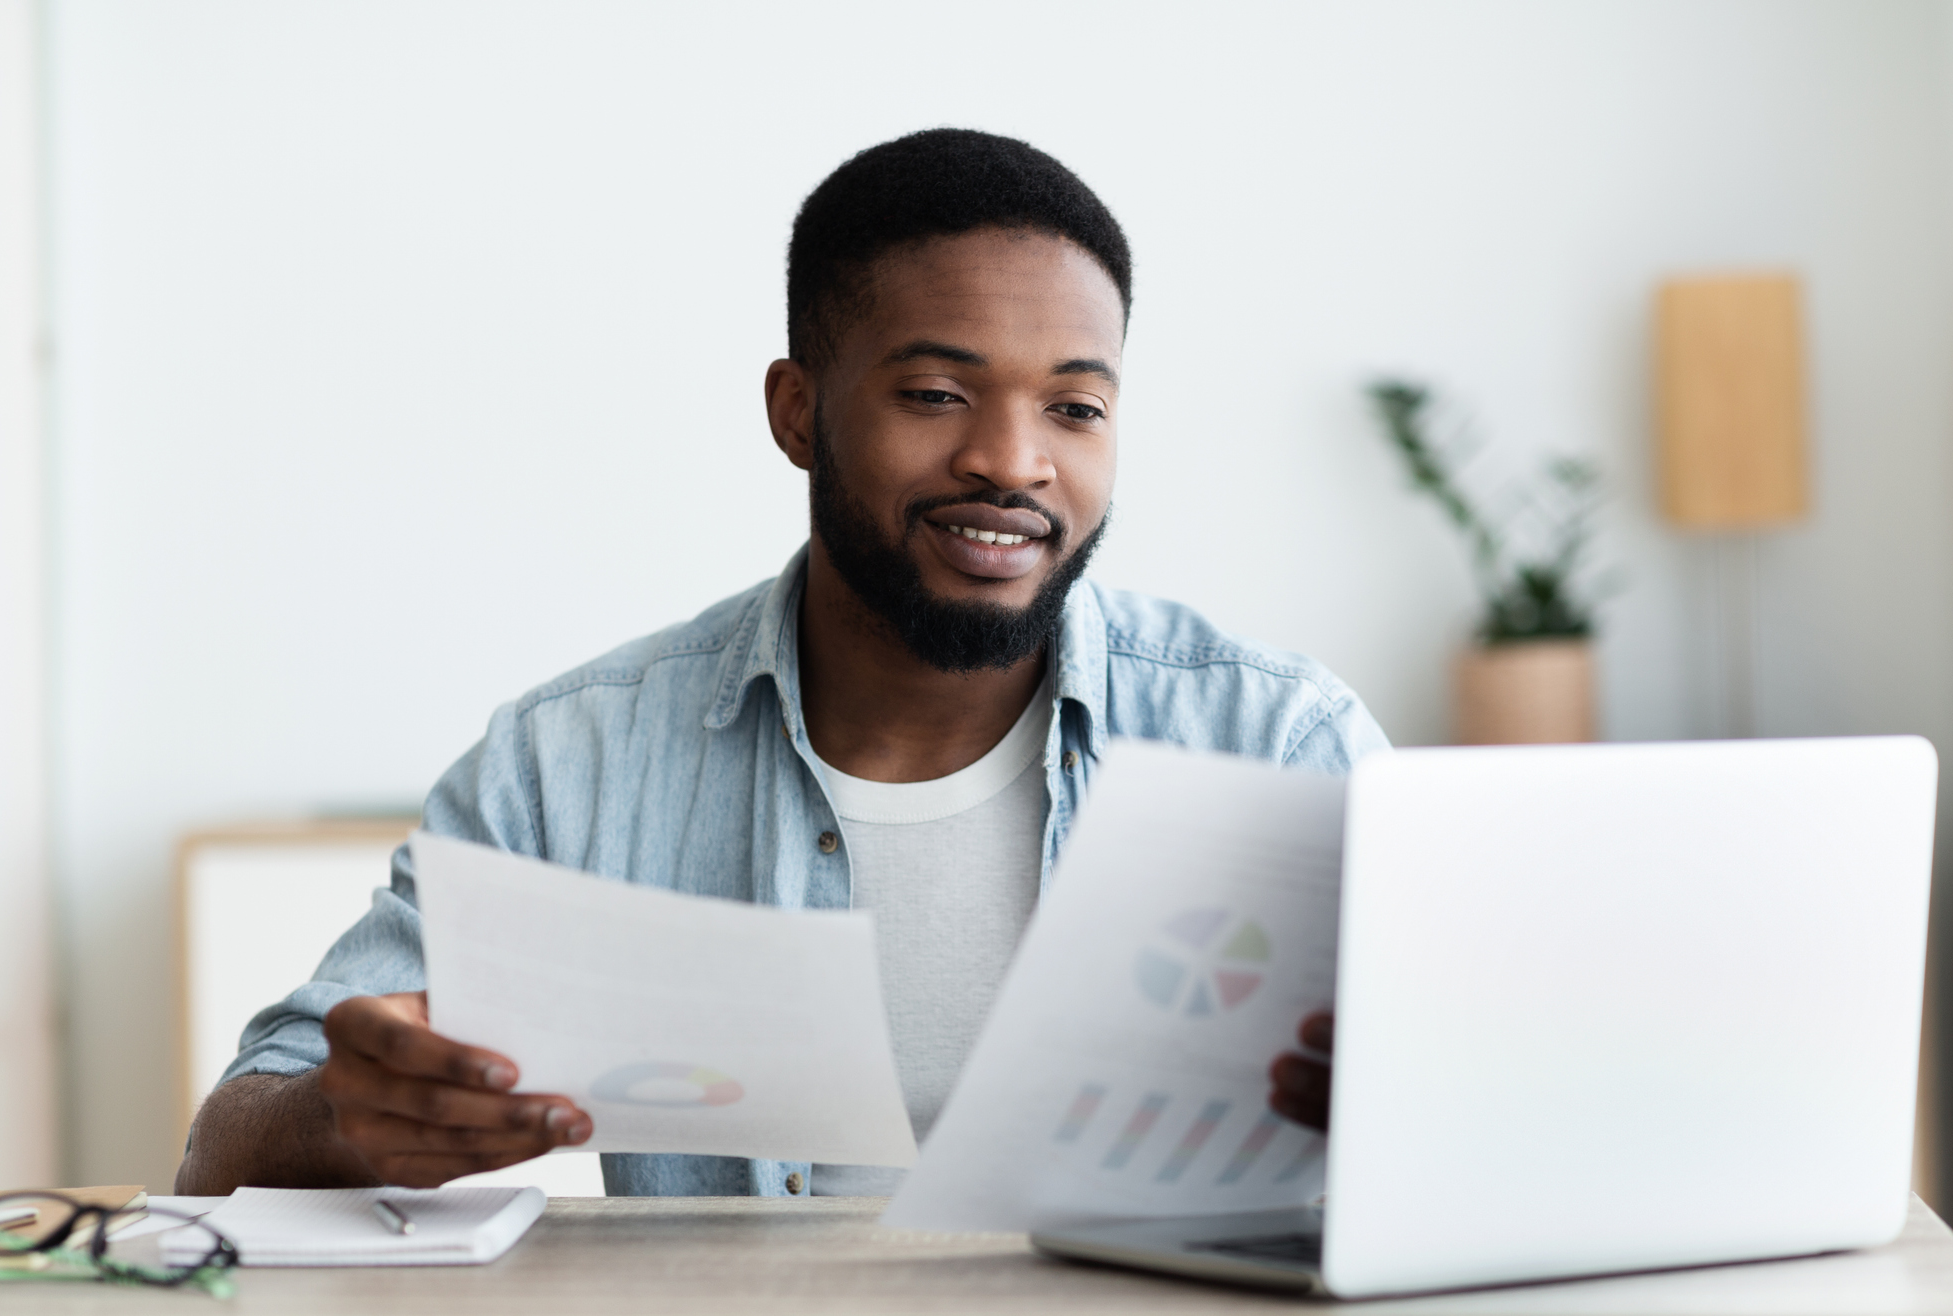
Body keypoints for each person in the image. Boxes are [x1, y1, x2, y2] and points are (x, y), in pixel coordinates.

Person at [176, 128, 1383, 1197]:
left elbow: (1516, 1071)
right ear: (799, 410)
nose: (1012, 460)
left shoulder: (1274, 743)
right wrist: (361, 1111)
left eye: (1075, 408)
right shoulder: (577, 764)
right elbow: (226, 1136)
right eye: (936, 391)